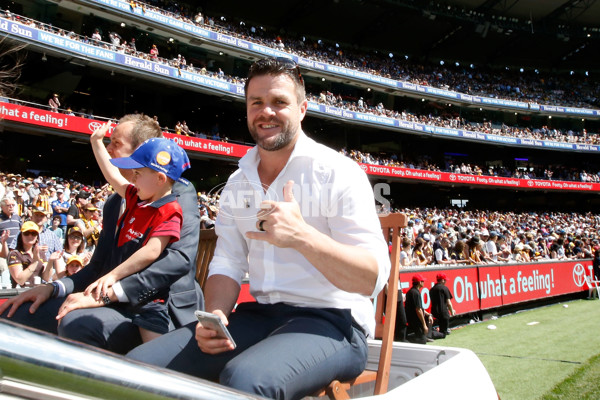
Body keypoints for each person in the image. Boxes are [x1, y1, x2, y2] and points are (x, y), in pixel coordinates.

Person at [127, 57, 390, 400]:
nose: (266, 111)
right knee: (138, 366)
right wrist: (216, 316)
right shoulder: (238, 182)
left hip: (335, 322)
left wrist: (302, 237)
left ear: (302, 109)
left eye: (279, 102)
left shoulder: (339, 172)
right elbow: (227, 262)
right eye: (257, 102)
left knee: (245, 379)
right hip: (261, 315)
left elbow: (371, 278)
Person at [0, 114, 202, 354]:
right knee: (18, 313)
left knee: (78, 323)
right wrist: (53, 288)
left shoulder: (178, 192)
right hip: (109, 301)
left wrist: (107, 295)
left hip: (156, 309)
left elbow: (177, 260)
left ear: (141, 151)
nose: (108, 148)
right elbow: (97, 267)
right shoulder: (116, 201)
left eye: (116, 143)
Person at [83, 132, 191, 343]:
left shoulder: (170, 209)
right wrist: (96, 143)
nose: (132, 178)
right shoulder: (136, 198)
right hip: (119, 296)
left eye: (138, 173)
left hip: (148, 301)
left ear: (160, 178)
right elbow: (112, 175)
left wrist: (113, 275)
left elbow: (152, 250)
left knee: (151, 360)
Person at [7, 221, 54, 287]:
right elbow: (20, 280)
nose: (30, 236)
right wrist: (35, 262)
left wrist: (51, 262)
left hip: (37, 291)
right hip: (21, 292)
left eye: (34, 233)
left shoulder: (40, 253)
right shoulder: (15, 254)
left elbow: (46, 278)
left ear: (37, 237)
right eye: (26, 233)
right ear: (21, 235)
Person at [405, 273, 432, 344]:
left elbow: (420, 308)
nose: (424, 282)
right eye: (423, 281)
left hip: (413, 319)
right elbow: (418, 310)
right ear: (419, 282)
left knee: (428, 318)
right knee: (422, 341)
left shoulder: (412, 291)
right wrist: (424, 325)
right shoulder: (415, 293)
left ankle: (425, 336)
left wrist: (428, 315)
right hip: (414, 320)